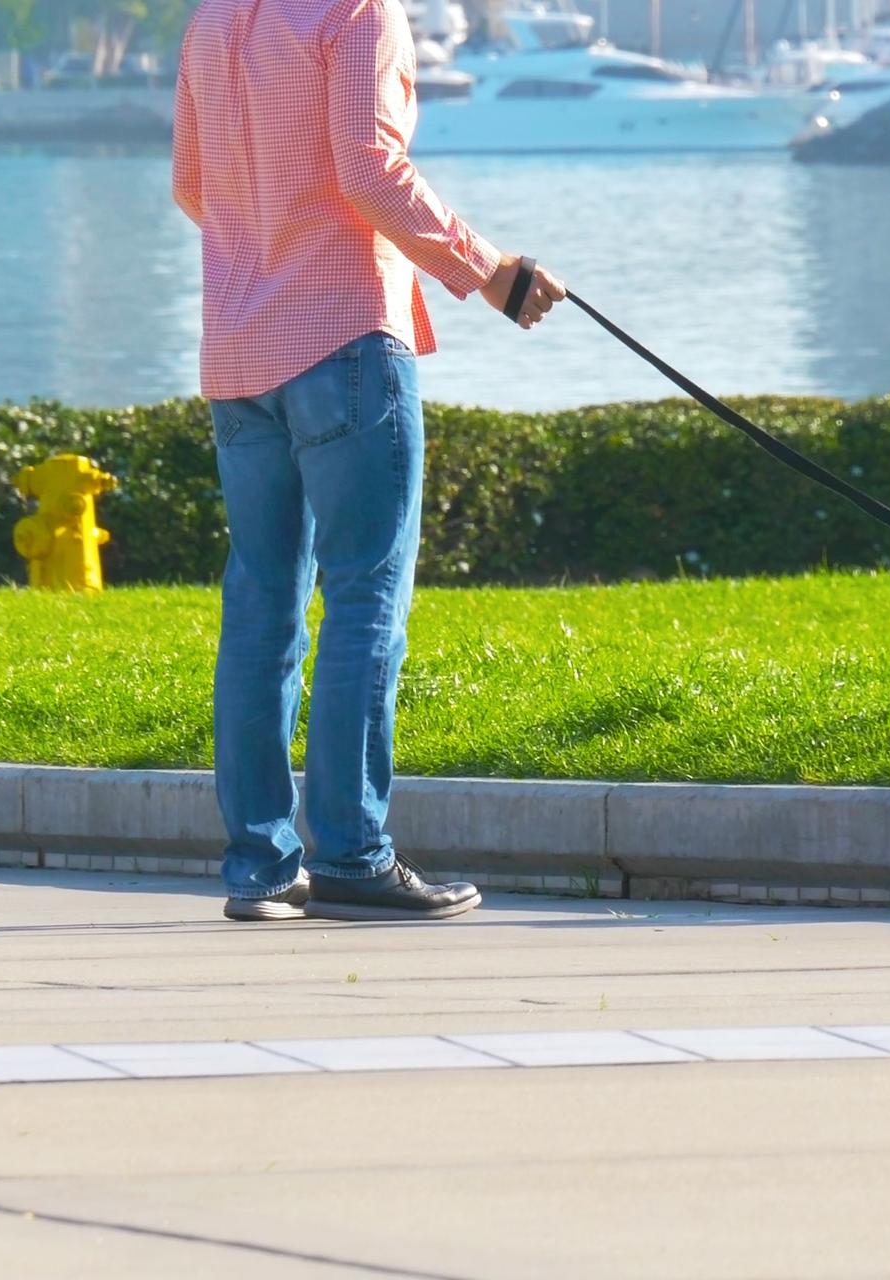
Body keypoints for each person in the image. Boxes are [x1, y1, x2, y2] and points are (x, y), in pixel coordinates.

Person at [171, 0, 565, 923]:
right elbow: (370, 170)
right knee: (364, 598)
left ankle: (260, 870)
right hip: (344, 334)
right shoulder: (358, 11)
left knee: (261, 605)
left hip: (236, 348)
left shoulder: (212, 19)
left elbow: (193, 186)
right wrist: (493, 272)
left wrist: (262, 248)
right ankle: (350, 854)